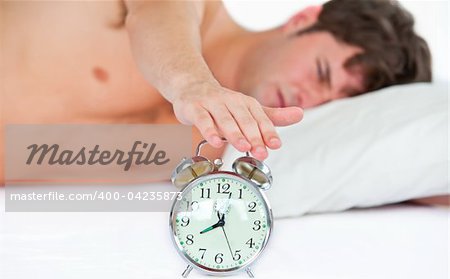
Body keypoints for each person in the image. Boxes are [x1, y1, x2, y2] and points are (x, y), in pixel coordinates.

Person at [1, 0, 431, 184]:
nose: (309, 97)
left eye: (332, 103)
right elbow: (155, 20)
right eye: (320, 71)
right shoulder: (198, 8)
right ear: (304, 19)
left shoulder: (204, 149)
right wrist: (194, 86)